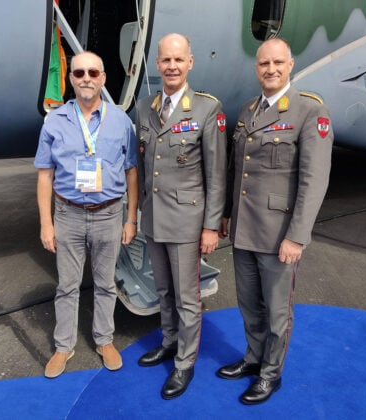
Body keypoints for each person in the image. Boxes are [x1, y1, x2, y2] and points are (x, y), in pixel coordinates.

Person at [217, 37, 333, 404]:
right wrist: (226, 214)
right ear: (257, 68)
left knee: (277, 310)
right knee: (249, 303)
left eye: (277, 63)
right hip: (244, 231)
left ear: (290, 64)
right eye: (264, 63)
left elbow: (314, 180)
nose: (271, 69)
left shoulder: (309, 111)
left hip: (278, 233)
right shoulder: (248, 110)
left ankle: (271, 373)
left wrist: (297, 236)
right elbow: (239, 171)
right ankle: (253, 359)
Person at [34, 51, 138, 378]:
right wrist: (46, 224)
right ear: (71, 79)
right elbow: (44, 175)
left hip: (109, 214)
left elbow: (132, 172)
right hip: (68, 215)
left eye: (93, 72)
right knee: (67, 285)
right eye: (79, 73)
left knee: (106, 283)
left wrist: (130, 218)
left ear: (103, 78)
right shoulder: (55, 121)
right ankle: (64, 346)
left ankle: (104, 340)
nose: (86, 78)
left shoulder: (121, 121)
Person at [135, 33, 227, 399]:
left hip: (188, 224)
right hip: (155, 218)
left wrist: (210, 227)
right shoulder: (144, 107)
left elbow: (217, 176)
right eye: (165, 60)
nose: (171, 66)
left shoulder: (207, 109)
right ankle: (170, 341)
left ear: (190, 63)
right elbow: (142, 168)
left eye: (178, 60)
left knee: (188, 297)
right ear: (157, 64)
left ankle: (184, 363)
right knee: (162, 290)